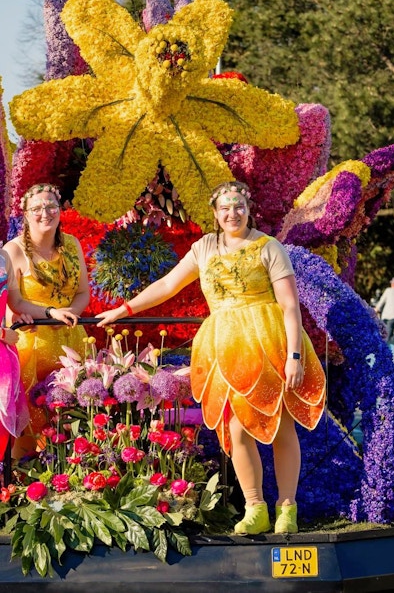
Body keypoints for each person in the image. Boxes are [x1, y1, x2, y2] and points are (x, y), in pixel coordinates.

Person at [96, 180, 326, 535]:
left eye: (238, 207)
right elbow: (167, 285)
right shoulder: (204, 248)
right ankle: (255, 508)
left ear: (249, 209)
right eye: (224, 208)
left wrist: (294, 356)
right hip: (225, 347)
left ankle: (287, 508)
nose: (232, 214)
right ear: (215, 213)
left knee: (279, 425)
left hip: (269, 343)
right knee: (234, 428)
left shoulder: (269, 247)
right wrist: (123, 309)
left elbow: (290, 306)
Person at [3, 183, 89, 458]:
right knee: (32, 421)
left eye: (51, 206)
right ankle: (25, 487)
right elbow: (15, 302)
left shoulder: (72, 245)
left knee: (74, 419)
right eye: (37, 208)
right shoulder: (13, 250)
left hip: (73, 340)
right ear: (26, 214)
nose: (45, 213)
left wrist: (72, 312)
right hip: (34, 345)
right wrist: (53, 313)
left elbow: (83, 292)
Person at [0, 247, 79, 466]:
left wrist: (50, 312)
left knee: (3, 430)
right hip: (4, 341)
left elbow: (16, 302)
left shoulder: (3, 256)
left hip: (3, 357)